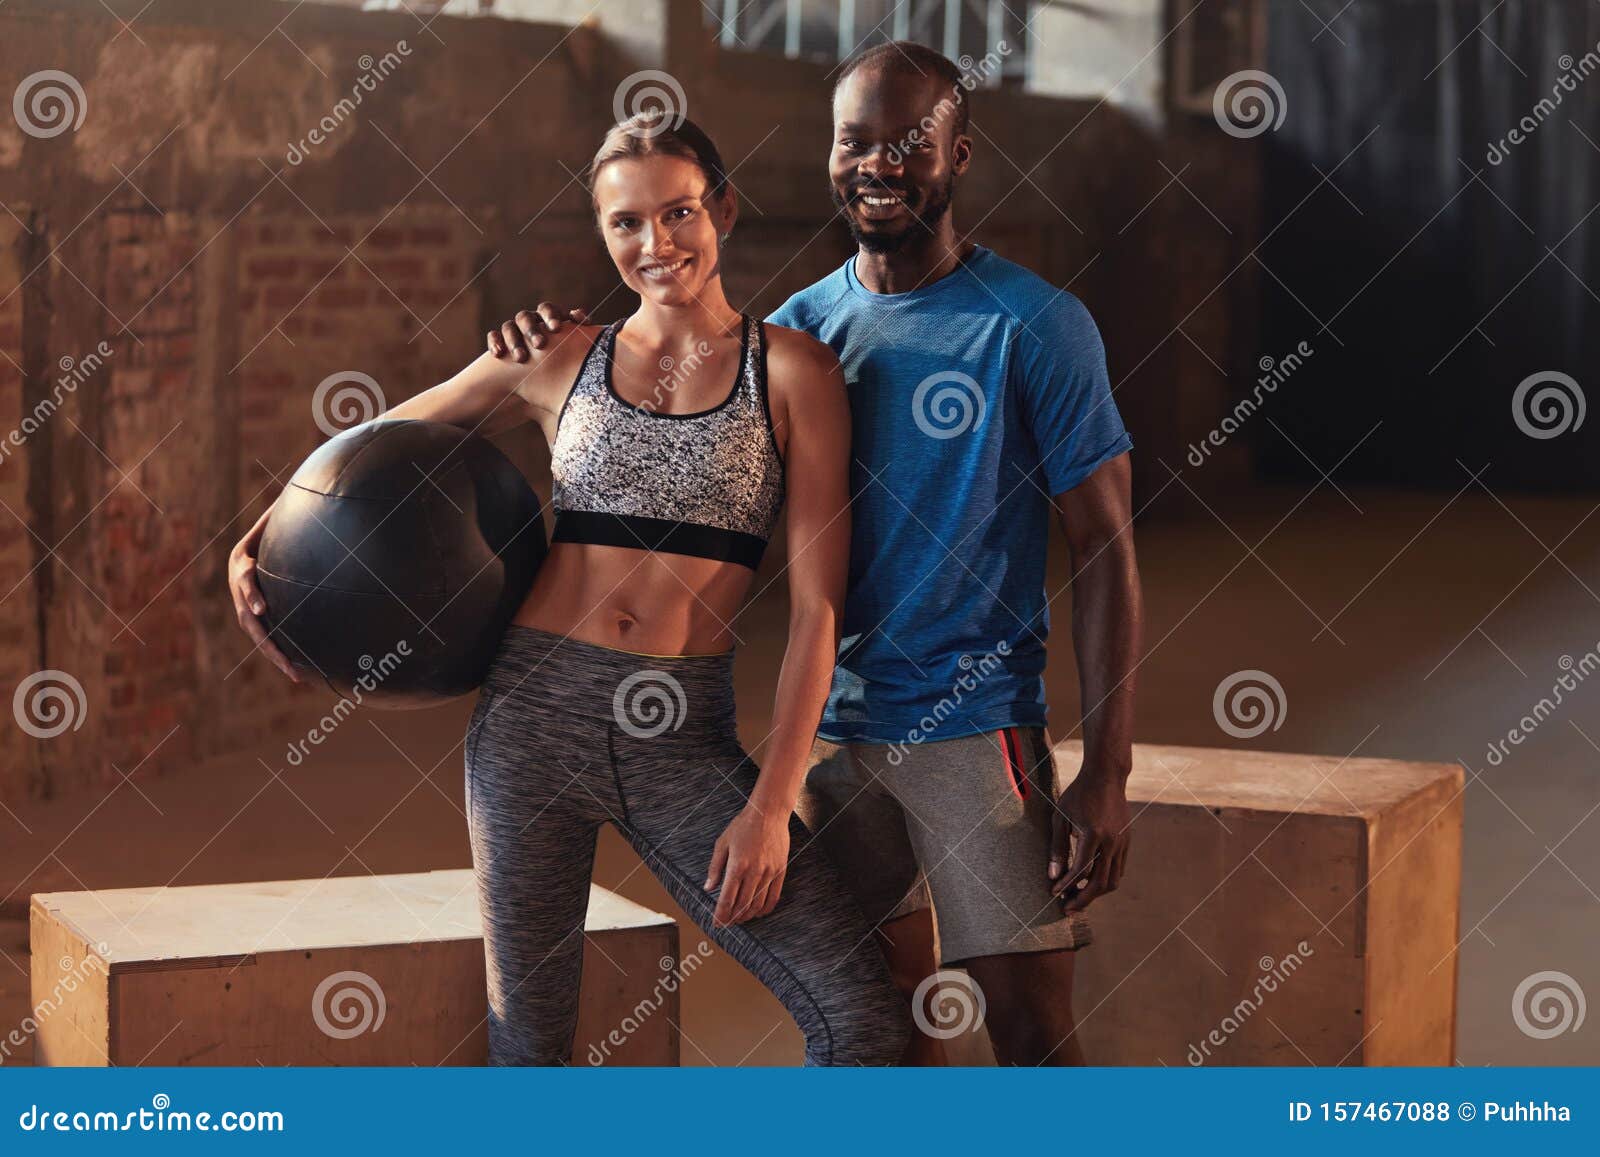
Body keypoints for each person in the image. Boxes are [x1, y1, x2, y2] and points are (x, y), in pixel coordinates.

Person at [487, 41, 1143, 1066]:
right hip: (837, 736)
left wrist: (1107, 768)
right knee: (875, 1009)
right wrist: (548, 343)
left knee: (1028, 1027)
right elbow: (661, 427)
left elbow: (1103, 543)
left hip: (975, 729)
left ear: (957, 154)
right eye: (854, 142)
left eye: (906, 144)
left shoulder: (1035, 326)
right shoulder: (801, 332)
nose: (877, 164)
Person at [227, 111, 911, 1066]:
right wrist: (253, 541)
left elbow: (817, 612)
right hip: (529, 719)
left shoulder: (794, 370)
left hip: (681, 733)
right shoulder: (555, 353)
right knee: (531, 1045)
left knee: (857, 1015)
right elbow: (373, 448)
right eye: (625, 223)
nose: (656, 244)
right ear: (602, 233)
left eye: (679, 213)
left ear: (725, 209)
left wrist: (769, 807)